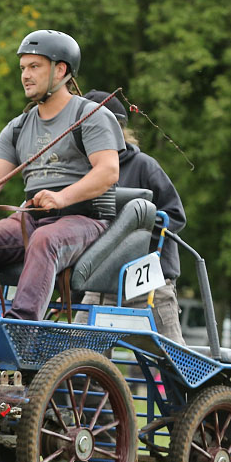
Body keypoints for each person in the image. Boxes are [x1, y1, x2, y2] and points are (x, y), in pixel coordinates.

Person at [0, 30, 125, 320]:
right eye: (22, 68)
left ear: (60, 70)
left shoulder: (91, 115)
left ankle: (23, 327)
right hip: (32, 218)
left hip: (84, 219)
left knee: (45, 238)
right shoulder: (18, 127)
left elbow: (108, 171)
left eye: (34, 67)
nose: (25, 76)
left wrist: (61, 197)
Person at [74, 89, 187, 344]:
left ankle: (190, 384)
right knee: (77, 352)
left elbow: (175, 216)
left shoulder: (144, 166)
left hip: (148, 284)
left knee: (175, 361)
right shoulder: (81, 173)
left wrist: (134, 227)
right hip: (101, 284)